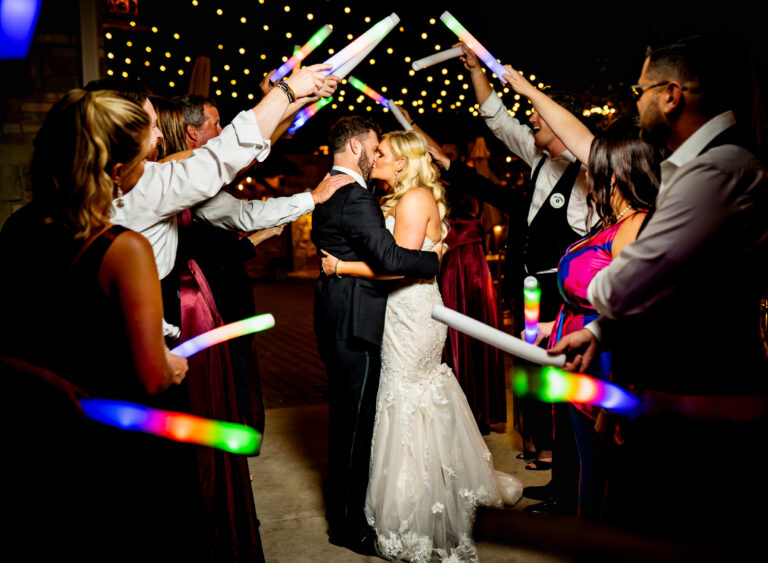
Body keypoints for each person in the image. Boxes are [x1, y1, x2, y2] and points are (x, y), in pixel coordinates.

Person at [550, 36, 768, 556]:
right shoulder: (695, 168)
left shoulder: (719, 170)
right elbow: (676, 284)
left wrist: (586, 284)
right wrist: (598, 330)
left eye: (640, 89)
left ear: (672, 95)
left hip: (703, 396)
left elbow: (635, 284)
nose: (635, 100)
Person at [0, 89, 199, 559]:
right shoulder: (124, 249)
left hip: (34, 433)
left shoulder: (18, 226)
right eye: (142, 161)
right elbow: (152, 376)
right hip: (106, 443)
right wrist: (172, 364)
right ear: (116, 174)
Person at [321, 130, 522, 562]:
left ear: (402, 162)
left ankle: (419, 507)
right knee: (402, 396)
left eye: (383, 153)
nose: (375, 158)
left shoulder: (412, 200)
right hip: (397, 314)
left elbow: (399, 268)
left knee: (408, 397)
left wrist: (341, 266)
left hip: (410, 311)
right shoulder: (398, 197)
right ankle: (411, 492)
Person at [458, 43, 594, 509]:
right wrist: (477, 70)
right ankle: (559, 481)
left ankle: (570, 490)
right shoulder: (539, 159)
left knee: (561, 388)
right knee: (537, 382)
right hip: (533, 292)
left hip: (564, 298)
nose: (531, 121)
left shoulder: (586, 178)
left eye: (538, 117)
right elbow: (496, 117)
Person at [311, 117, 441, 556]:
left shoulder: (329, 188)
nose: (376, 155)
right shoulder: (355, 195)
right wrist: (434, 260)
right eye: (373, 148)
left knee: (354, 420)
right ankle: (347, 525)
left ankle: (350, 511)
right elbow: (389, 257)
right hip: (357, 321)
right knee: (353, 425)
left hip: (344, 315)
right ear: (355, 147)